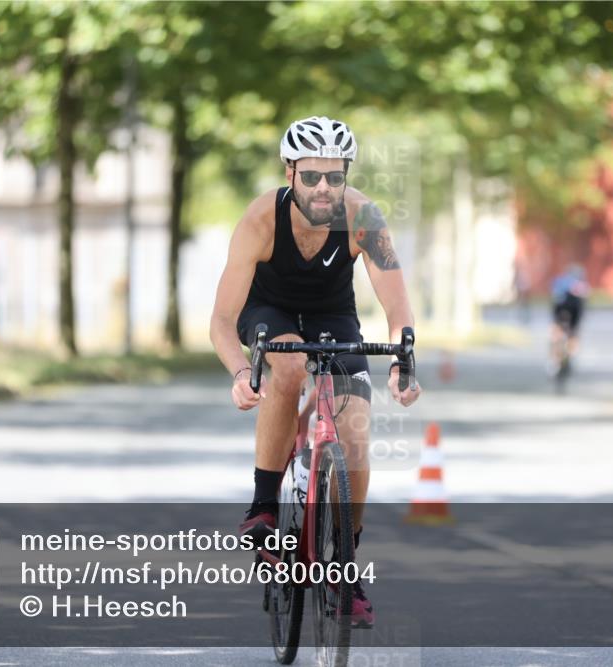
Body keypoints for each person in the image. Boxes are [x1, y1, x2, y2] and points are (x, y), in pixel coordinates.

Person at [209, 116, 422, 628]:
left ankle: (345, 568)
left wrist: (402, 362)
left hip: (333, 318)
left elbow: (399, 310)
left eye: (334, 176)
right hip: (269, 314)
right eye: (311, 176)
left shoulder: (364, 217)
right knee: (285, 368)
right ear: (290, 174)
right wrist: (241, 372)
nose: (323, 187)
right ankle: (264, 505)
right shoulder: (260, 220)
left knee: (354, 434)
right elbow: (219, 320)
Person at [549, 263, 589, 372]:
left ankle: (556, 359)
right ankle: (570, 355)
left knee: (557, 332)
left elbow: (555, 296)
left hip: (561, 307)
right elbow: (584, 301)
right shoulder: (581, 284)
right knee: (573, 333)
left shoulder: (560, 281)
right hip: (574, 307)